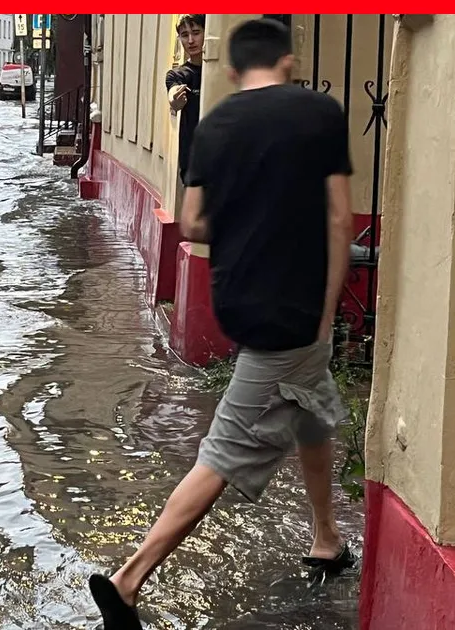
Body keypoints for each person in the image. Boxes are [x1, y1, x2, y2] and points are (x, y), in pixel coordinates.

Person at [89, 18, 355, 630]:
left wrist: (247, 219)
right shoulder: (320, 114)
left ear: (233, 70)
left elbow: (192, 222)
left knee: (311, 405)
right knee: (225, 450)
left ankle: (325, 536)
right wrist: (324, 309)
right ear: (288, 59)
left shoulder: (214, 124)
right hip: (293, 310)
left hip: (240, 302)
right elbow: (340, 219)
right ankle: (129, 581)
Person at [165, 15, 205, 186]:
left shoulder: (223, 69)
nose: (190, 40)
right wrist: (175, 99)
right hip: (192, 159)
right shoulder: (178, 74)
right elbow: (173, 94)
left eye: (196, 33)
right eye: (184, 35)